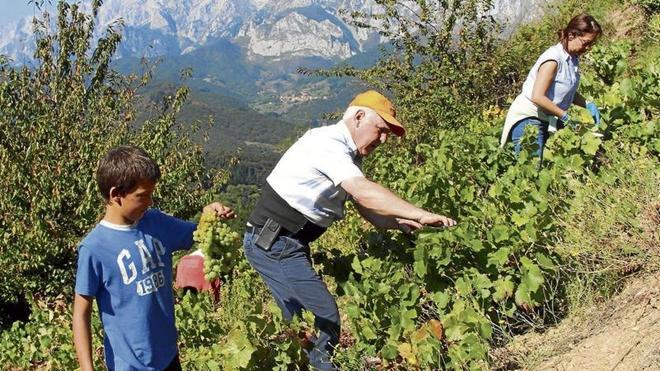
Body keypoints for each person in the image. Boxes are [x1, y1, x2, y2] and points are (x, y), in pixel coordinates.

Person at [243, 90, 457, 369]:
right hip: (275, 243)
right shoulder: (328, 144)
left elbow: (365, 206)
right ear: (358, 117)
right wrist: (419, 212)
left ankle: (294, 363)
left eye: (387, 135)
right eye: (380, 130)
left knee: (298, 322)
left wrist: (397, 222)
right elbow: (363, 192)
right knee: (323, 315)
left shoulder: (349, 155)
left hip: (283, 242)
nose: (382, 140)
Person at [72, 145, 234, 371]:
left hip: (168, 357)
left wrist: (211, 214)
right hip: (128, 366)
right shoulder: (94, 248)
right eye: (142, 195)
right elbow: (81, 312)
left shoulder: (157, 222)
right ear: (115, 194)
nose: (149, 202)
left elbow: (199, 233)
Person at [500, 13, 603, 157]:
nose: (587, 48)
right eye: (585, 43)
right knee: (532, 169)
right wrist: (565, 117)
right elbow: (538, 97)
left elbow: (566, 91)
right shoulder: (553, 59)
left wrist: (588, 104)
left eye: (591, 45)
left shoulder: (572, 58)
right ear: (572, 35)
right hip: (530, 116)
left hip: (547, 116)